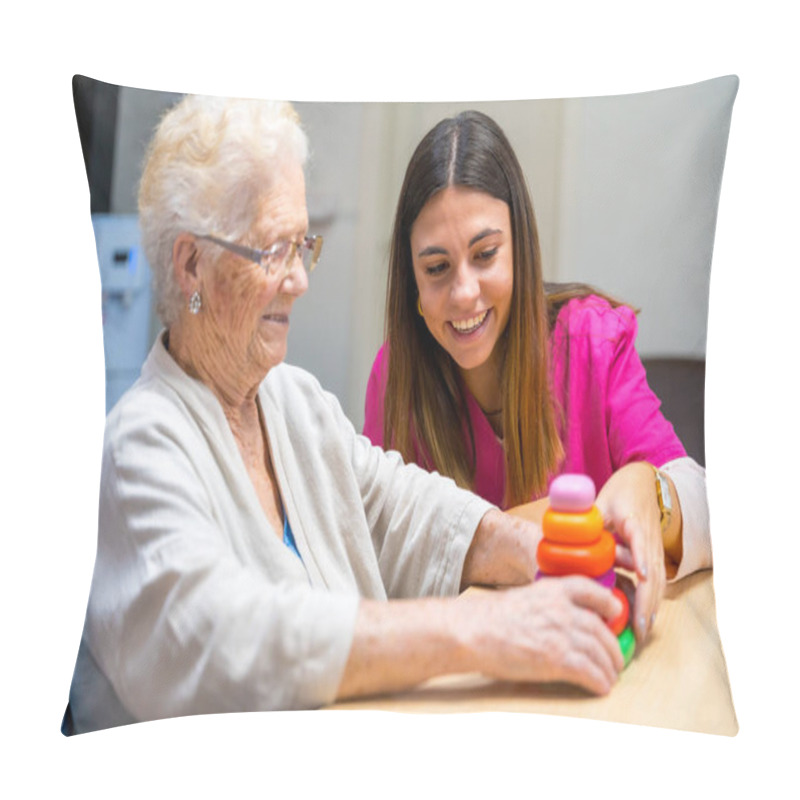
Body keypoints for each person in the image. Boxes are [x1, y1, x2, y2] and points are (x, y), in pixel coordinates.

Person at [62, 96, 627, 736]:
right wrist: (484, 628)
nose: (300, 278)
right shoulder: (138, 448)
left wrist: (541, 551)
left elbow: (396, 507)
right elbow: (225, 635)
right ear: (192, 263)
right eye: (271, 250)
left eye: (303, 245)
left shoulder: (290, 399)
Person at [363, 110, 712, 645]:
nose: (463, 294)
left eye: (485, 255)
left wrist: (651, 489)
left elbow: (712, 507)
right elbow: (379, 561)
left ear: (521, 247)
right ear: (410, 278)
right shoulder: (395, 380)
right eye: (437, 268)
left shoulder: (593, 342)